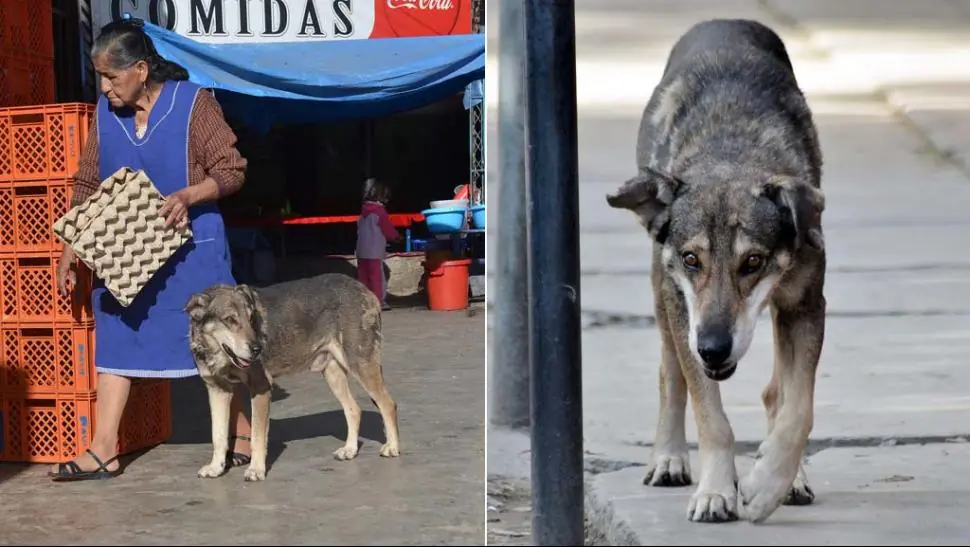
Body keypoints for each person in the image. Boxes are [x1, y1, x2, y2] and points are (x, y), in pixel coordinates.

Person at [51, 18, 253, 480]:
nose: (104, 88)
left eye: (111, 77)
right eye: (99, 77)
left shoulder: (193, 105)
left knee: (214, 344)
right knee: (115, 333)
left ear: (140, 70)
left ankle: (241, 430)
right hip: (130, 256)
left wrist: (188, 195)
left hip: (192, 254)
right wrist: (69, 249)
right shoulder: (107, 115)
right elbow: (87, 182)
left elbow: (232, 170)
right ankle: (103, 449)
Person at [356, 178, 401, 310]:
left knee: (363, 278)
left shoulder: (363, 212)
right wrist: (397, 237)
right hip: (374, 252)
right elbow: (388, 230)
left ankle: (363, 301)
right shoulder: (380, 212)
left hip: (361, 251)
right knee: (377, 278)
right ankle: (378, 302)